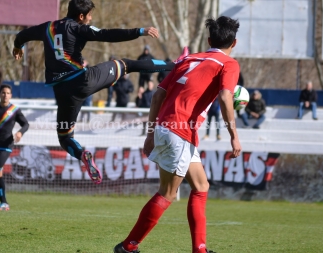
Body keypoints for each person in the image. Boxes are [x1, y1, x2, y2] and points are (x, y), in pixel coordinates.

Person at [12, 0, 183, 184]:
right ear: (81, 17)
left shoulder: (48, 27)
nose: (90, 18)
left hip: (62, 93)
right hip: (83, 82)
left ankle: (82, 154)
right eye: (89, 15)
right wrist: (140, 31)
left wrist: (17, 47)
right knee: (127, 65)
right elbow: (108, 34)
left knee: (65, 138)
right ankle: (175, 65)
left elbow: (22, 35)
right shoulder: (79, 28)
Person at [113, 16, 241, 253]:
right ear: (234, 43)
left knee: (201, 186)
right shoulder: (228, 64)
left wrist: (150, 133)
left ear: (209, 39)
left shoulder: (189, 59)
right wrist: (233, 134)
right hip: (179, 130)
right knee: (168, 193)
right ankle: (128, 247)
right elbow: (225, 97)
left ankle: (199, 249)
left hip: (169, 127)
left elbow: (158, 95)